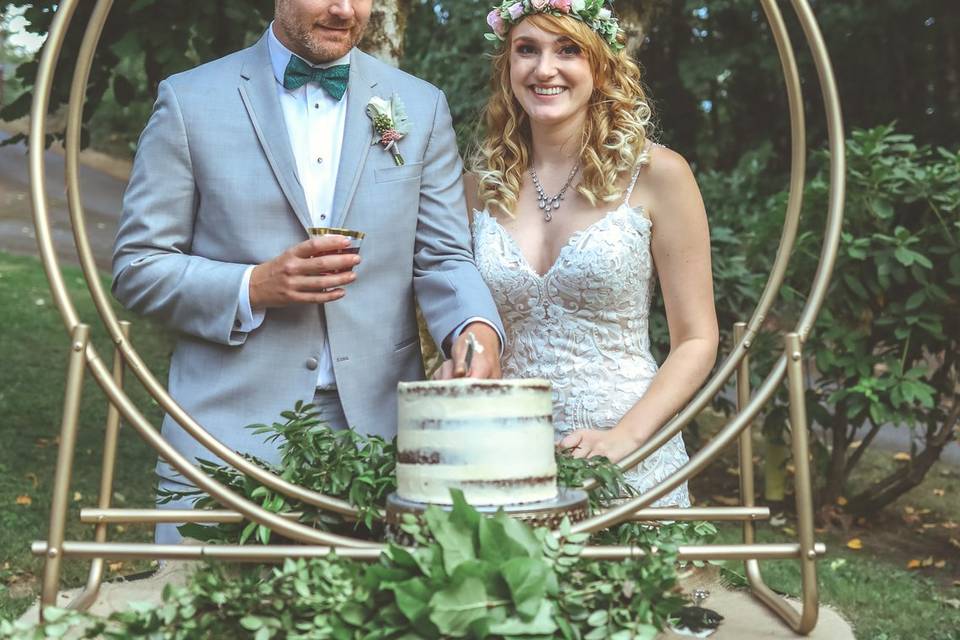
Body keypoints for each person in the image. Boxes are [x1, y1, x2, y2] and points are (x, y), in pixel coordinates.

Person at [112, 0, 504, 543]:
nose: (345, 10)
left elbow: (444, 257)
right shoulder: (189, 100)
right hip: (225, 435)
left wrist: (475, 330)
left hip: (380, 442)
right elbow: (139, 266)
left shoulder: (420, 104)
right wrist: (253, 286)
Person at [464, 0, 719, 506]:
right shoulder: (477, 188)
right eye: (526, 50)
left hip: (628, 451)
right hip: (503, 451)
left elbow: (696, 339)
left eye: (568, 50)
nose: (544, 69)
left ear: (600, 64)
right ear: (507, 66)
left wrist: (623, 440)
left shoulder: (659, 176)